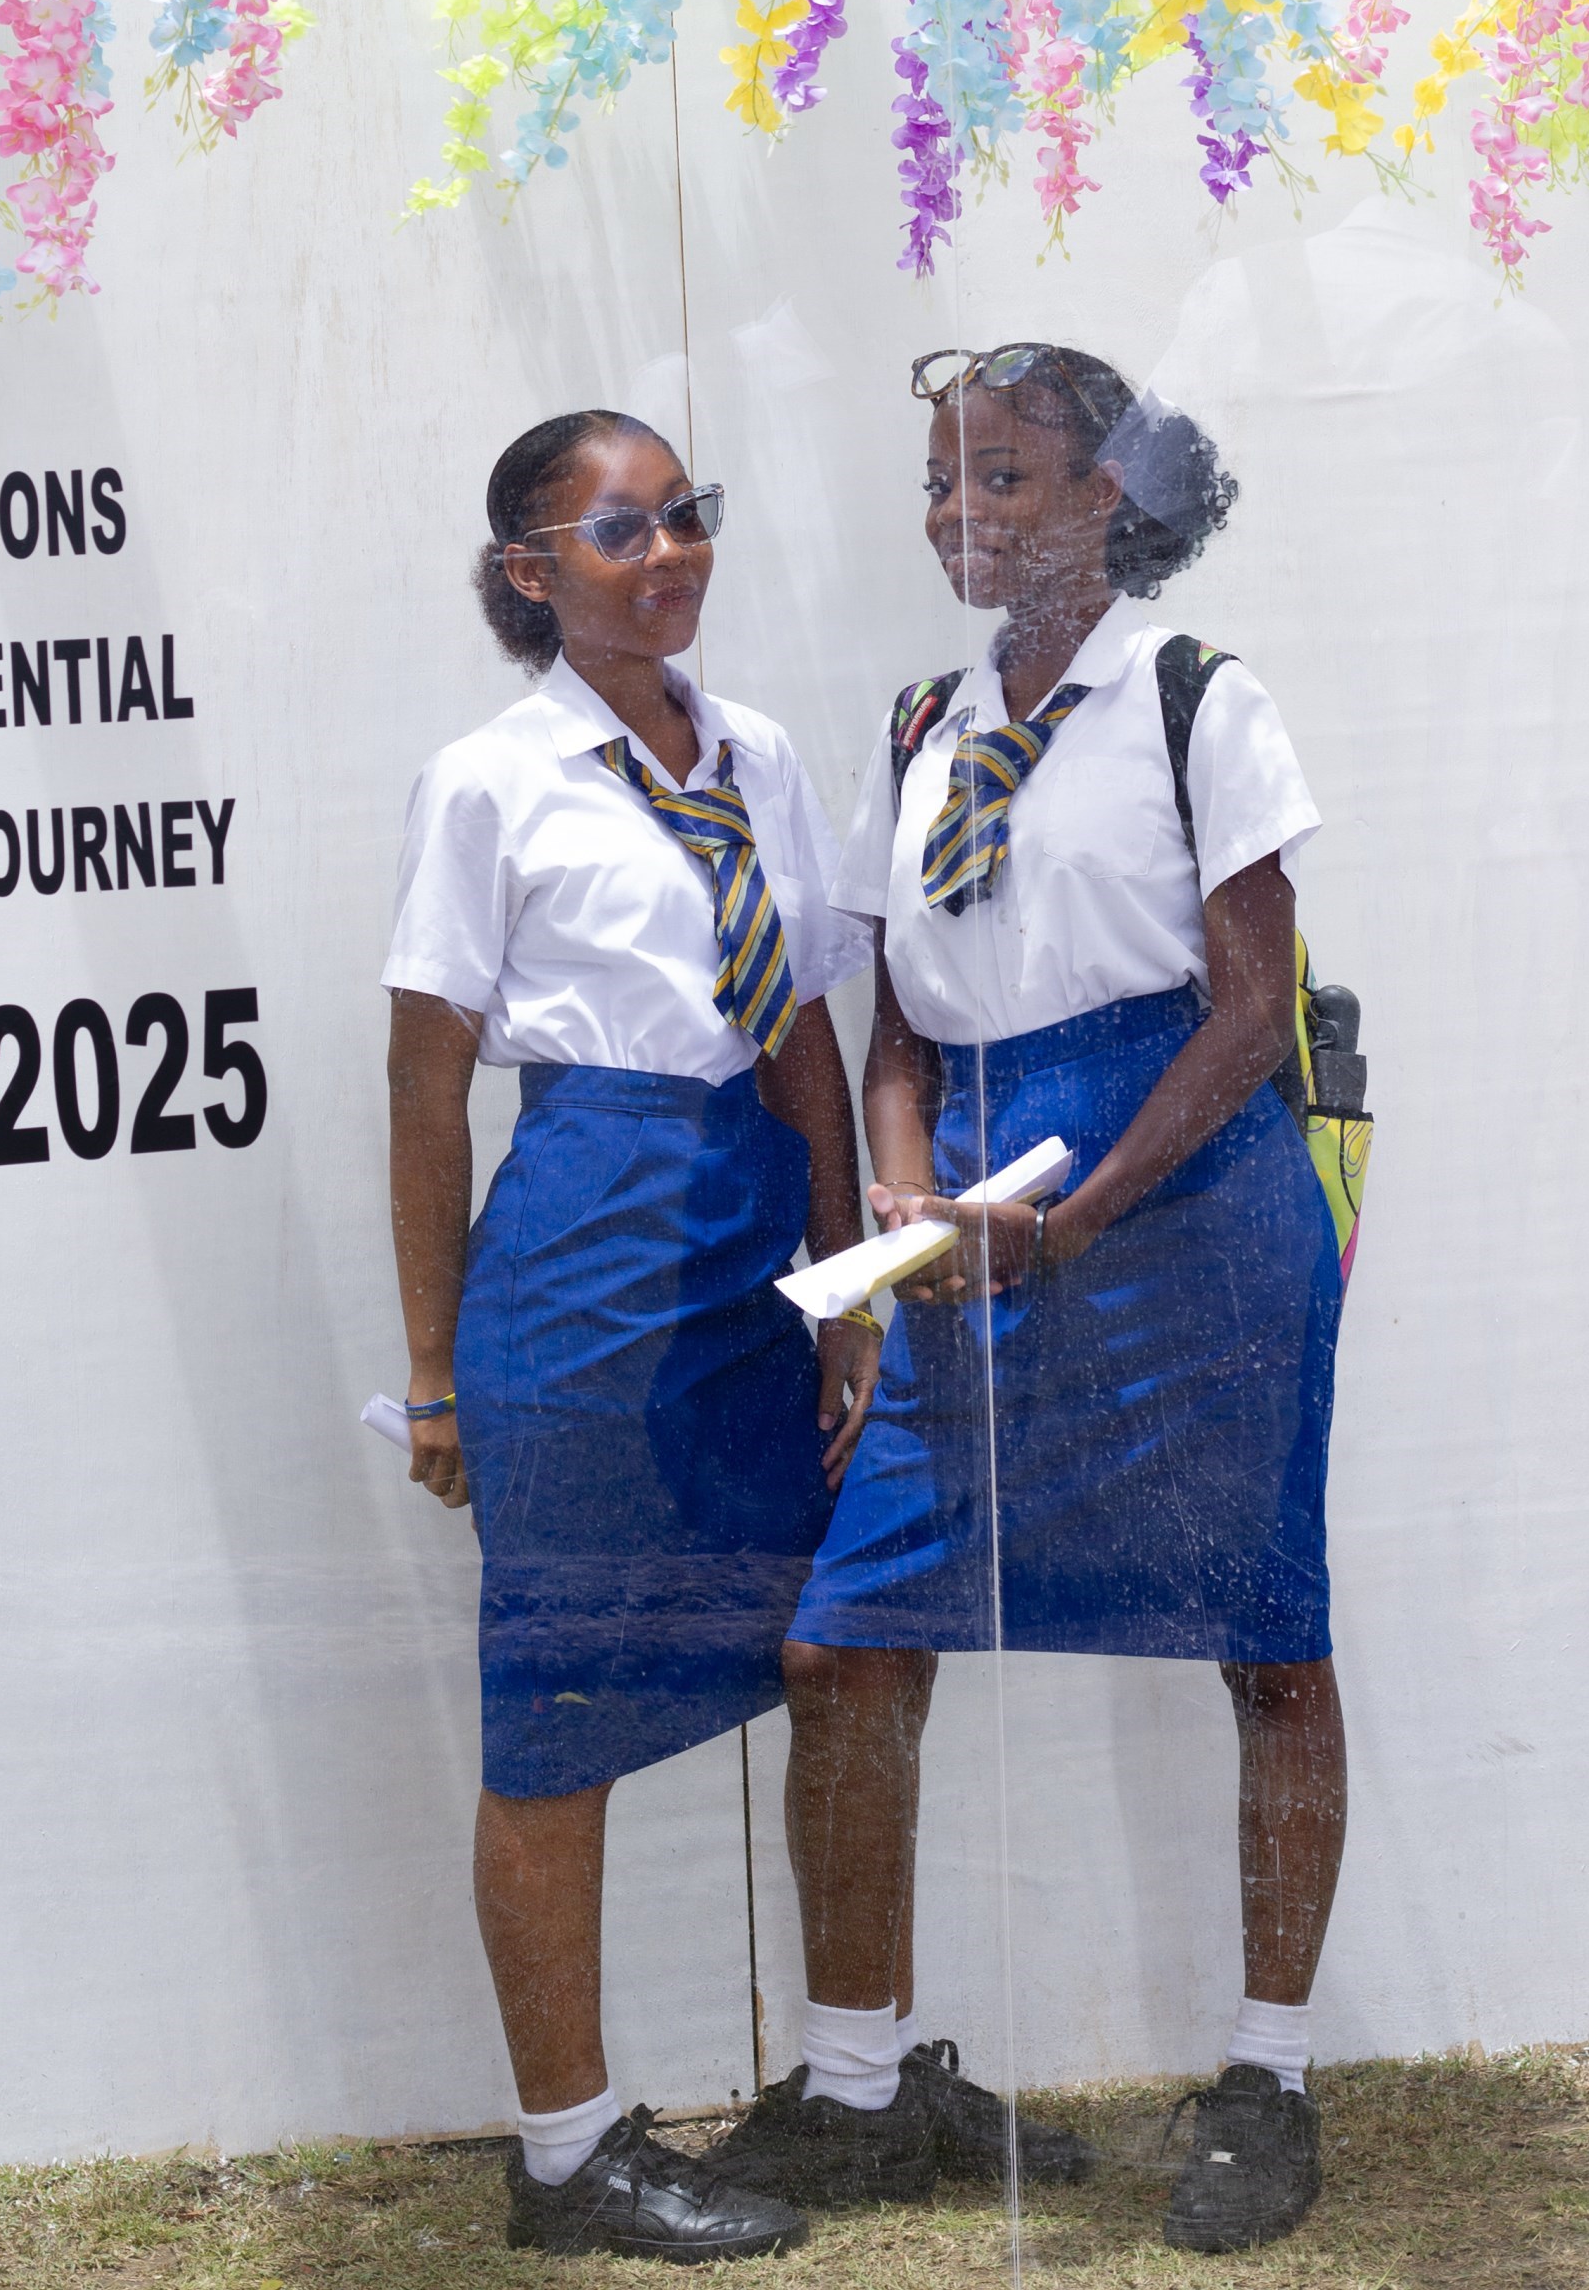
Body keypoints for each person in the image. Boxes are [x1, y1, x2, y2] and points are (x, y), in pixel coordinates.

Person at [712, 343, 1348, 2253]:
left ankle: (1267, 2077)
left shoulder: (1193, 697)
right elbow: (897, 1017)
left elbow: (1252, 1013)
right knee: (844, 1644)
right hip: (971, 1213)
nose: (958, 514)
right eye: (941, 478)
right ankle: (856, 2089)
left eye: (1002, 477)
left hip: (1178, 1194)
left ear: (1106, 499)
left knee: (1264, 1634)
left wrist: (1078, 1216)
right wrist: (902, 1185)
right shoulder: (922, 723)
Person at [384, 408, 881, 2261]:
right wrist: (433, 1372)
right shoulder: (488, 782)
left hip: (761, 1250)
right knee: (559, 1713)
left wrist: (843, 1292)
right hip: (587, 1259)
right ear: (530, 572)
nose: (669, 553)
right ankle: (567, 2154)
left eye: (686, 516)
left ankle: (856, 2085)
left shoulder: (755, 754)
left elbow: (804, 1031)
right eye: (621, 531)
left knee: (843, 1652)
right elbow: (422, 1090)